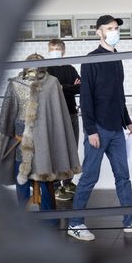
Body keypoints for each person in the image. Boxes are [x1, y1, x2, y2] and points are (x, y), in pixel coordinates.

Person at [68, 15, 132, 241]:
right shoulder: (91, 60)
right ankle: (75, 223)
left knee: (123, 177)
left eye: (116, 28)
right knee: (89, 177)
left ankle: (130, 221)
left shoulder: (118, 58)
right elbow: (86, 98)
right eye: (109, 28)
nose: (114, 31)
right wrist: (90, 130)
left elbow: (118, 96)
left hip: (117, 130)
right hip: (98, 129)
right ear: (99, 32)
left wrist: (127, 121)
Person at [0, 54, 81, 223]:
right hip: (21, 140)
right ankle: (23, 218)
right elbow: (7, 115)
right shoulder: (15, 84)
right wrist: (9, 136)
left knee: (45, 178)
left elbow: (58, 114)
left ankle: (50, 218)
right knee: (23, 179)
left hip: (44, 140)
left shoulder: (52, 83)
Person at [46, 38, 81, 201]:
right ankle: (54, 186)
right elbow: (50, 89)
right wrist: (69, 87)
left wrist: (62, 87)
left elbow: (80, 87)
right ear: (48, 50)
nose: (55, 51)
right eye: (52, 48)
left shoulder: (70, 68)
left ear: (63, 51)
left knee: (72, 148)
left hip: (72, 113)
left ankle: (67, 182)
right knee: (57, 150)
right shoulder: (45, 69)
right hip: (55, 115)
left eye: (58, 48)